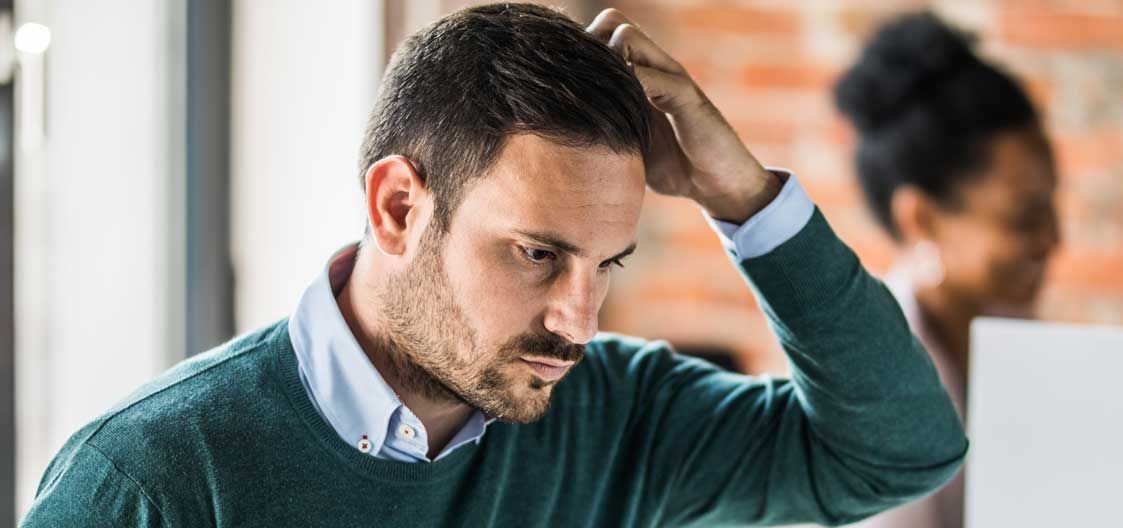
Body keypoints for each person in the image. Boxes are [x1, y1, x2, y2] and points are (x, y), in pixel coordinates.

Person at [21, 5, 966, 527]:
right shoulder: (149, 482)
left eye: (607, 263)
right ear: (400, 207)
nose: (579, 321)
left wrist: (746, 200)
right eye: (538, 254)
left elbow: (903, 450)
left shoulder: (614, 416)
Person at [832, 13, 1060, 528]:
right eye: (1024, 218)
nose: (1053, 239)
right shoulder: (871, 382)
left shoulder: (1017, 331)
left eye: (1052, 205)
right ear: (922, 217)